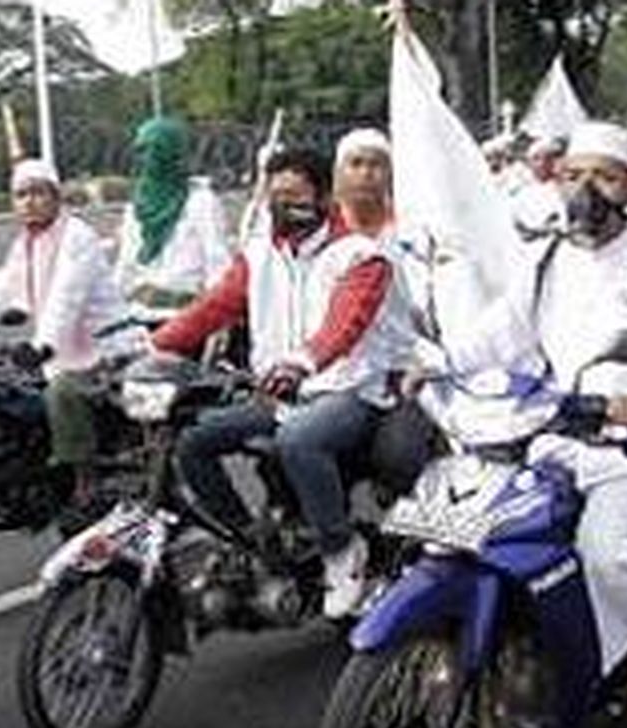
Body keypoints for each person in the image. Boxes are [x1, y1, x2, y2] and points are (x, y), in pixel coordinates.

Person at [154, 133, 426, 619]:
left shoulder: (362, 255)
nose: (284, 208)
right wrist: (148, 347)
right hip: (278, 394)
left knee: (300, 440)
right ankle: (251, 540)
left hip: (351, 388)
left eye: (296, 199)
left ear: (324, 198)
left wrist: (302, 362)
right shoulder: (260, 254)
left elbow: (346, 322)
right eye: (276, 199)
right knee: (193, 441)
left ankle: (341, 552)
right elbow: (212, 307)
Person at [417, 122, 627, 679]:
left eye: (603, 176)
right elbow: (500, 333)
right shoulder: (545, 259)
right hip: (550, 434)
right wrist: (434, 363)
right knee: (466, 524)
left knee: (607, 555)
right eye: (573, 175)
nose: (585, 188)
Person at [0, 158, 131, 530]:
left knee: (61, 393)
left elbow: (66, 297)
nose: (29, 201)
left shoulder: (77, 236)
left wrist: (40, 346)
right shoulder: (25, 245)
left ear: (56, 196)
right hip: (61, 352)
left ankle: (85, 484)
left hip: (106, 348)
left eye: (38, 192)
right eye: (21, 194)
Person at [115, 116, 230, 324]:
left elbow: (217, 263)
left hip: (184, 320)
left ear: (170, 152)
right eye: (139, 150)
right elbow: (125, 266)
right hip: (138, 316)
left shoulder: (200, 202)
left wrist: (218, 319)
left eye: (152, 150)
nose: (144, 158)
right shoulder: (136, 208)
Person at [512, 136, 566, 240]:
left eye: (547, 158)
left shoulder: (565, 190)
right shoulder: (521, 194)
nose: (542, 164)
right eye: (536, 159)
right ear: (529, 163)